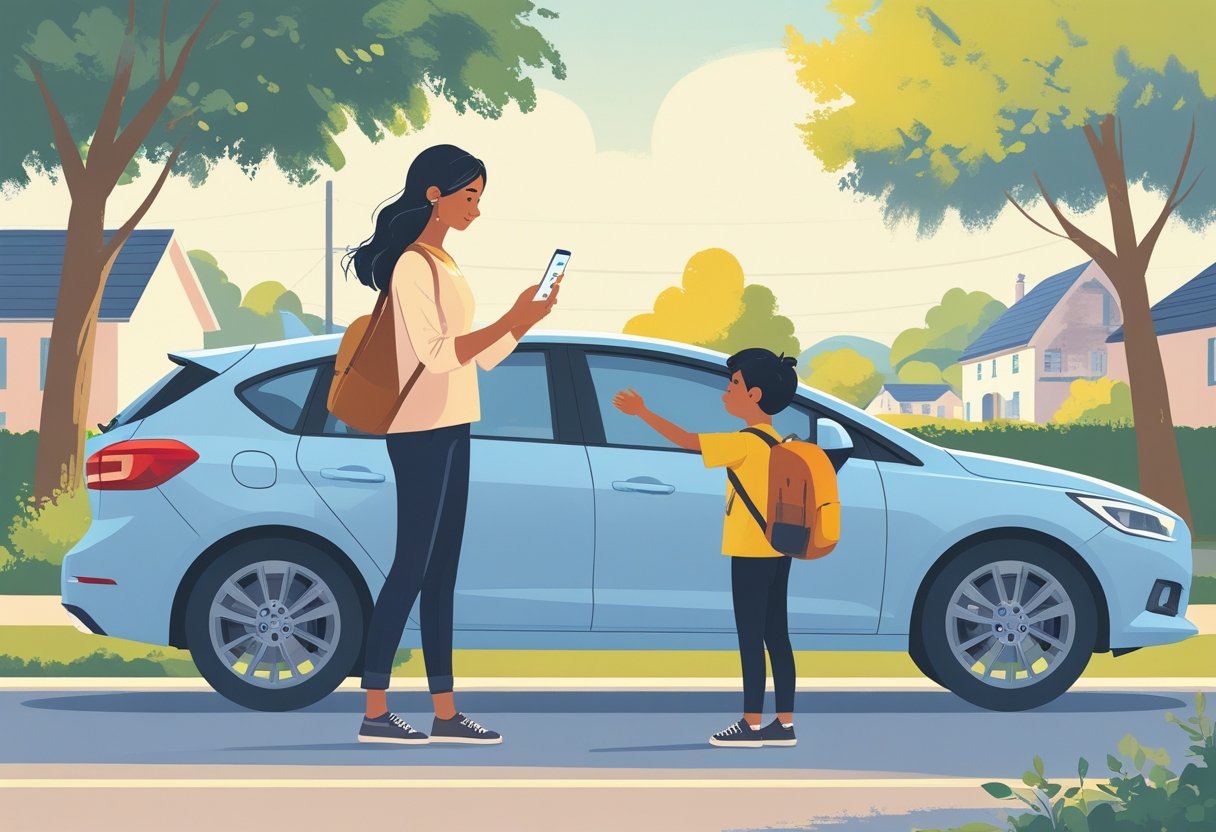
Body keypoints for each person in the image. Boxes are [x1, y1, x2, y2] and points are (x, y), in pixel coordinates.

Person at [343, 144, 559, 746]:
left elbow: (477, 358)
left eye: (480, 199)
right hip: (418, 428)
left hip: (455, 421)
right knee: (410, 566)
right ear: (435, 195)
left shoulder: (446, 264)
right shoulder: (413, 264)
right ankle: (375, 709)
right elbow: (438, 355)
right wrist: (508, 317)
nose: (477, 210)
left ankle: (444, 710)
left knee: (441, 574)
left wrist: (523, 321)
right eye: (469, 196)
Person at [612, 348, 800, 748]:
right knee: (777, 636)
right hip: (780, 549)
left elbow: (686, 441)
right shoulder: (779, 442)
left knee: (750, 637)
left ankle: (750, 724)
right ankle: (783, 724)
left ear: (754, 395)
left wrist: (642, 412)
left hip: (750, 552)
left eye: (734, 385)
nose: (725, 393)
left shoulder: (745, 443)